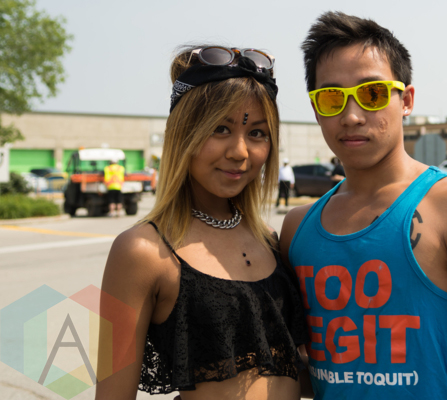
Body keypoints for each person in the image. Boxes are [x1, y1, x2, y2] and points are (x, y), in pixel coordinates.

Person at [279, 11, 447, 400]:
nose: (351, 116)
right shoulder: (297, 229)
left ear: (405, 100)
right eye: (332, 98)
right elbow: (312, 372)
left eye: (371, 93)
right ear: (317, 109)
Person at [97, 45, 308, 400]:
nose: (239, 151)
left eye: (257, 133)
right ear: (184, 134)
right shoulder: (141, 251)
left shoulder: (272, 241)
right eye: (220, 128)